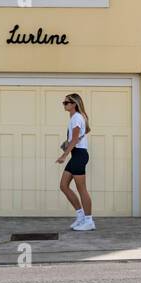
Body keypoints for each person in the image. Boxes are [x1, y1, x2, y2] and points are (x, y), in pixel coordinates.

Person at [57, 93, 95, 231]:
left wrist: (64, 155)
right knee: (63, 185)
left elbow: (74, 139)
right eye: (64, 102)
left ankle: (89, 220)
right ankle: (81, 216)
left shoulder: (77, 118)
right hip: (77, 155)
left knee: (81, 189)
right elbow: (78, 136)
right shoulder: (75, 117)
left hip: (79, 155)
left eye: (66, 102)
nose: (64, 104)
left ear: (74, 104)